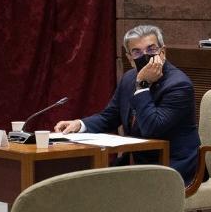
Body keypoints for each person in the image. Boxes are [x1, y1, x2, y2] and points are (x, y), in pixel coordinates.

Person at [54, 24, 200, 185]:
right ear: (130, 58)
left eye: (151, 49)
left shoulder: (178, 85)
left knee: (107, 191)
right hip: (137, 163)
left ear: (162, 52)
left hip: (173, 167)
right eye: (137, 52)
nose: (144, 56)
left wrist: (142, 86)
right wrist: (79, 124)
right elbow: (109, 117)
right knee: (84, 182)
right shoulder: (129, 78)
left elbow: (152, 128)